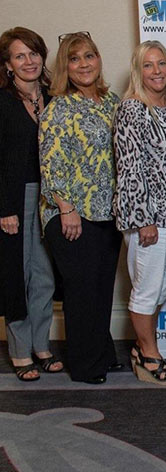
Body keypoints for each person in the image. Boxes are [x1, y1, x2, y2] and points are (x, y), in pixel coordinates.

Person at [39, 32, 122, 384]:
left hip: (108, 212)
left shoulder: (111, 101)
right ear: (65, 67)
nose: (84, 64)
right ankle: (85, 366)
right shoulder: (59, 107)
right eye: (75, 59)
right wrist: (66, 208)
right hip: (72, 214)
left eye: (89, 56)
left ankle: (102, 354)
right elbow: (50, 162)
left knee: (102, 288)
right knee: (82, 291)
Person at [114, 41, 166, 385]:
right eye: (148, 65)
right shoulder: (132, 109)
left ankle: (147, 349)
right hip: (149, 219)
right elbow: (130, 169)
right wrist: (143, 218)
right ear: (137, 71)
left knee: (160, 289)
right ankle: (148, 356)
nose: (156, 71)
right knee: (145, 291)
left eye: (161, 64)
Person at [0, 27, 63, 382]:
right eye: (20, 56)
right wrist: (4, 208)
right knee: (17, 275)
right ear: (8, 65)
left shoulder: (54, 98)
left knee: (44, 276)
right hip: (16, 199)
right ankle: (21, 350)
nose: (29, 61)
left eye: (34, 53)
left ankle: (42, 345)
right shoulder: (3, 102)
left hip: (51, 197)